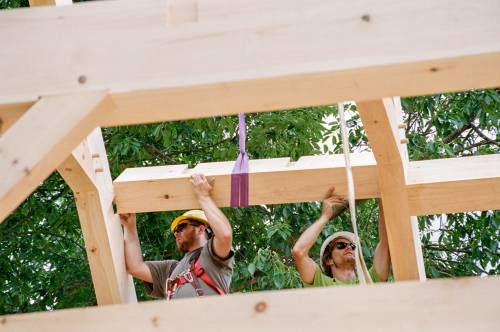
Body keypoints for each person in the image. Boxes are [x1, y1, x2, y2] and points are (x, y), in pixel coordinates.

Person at [120, 174, 234, 300]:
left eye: (181, 227)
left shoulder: (212, 256)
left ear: (201, 229)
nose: (176, 233)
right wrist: (129, 227)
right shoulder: (170, 270)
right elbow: (135, 267)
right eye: (175, 230)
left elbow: (225, 235)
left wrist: (204, 197)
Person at [292, 188, 391, 286]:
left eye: (353, 246)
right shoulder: (321, 283)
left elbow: (386, 241)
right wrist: (325, 216)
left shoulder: (370, 280)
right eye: (341, 245)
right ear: (329, 260)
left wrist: (381, 195)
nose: (349, 247)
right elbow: (299, 251)